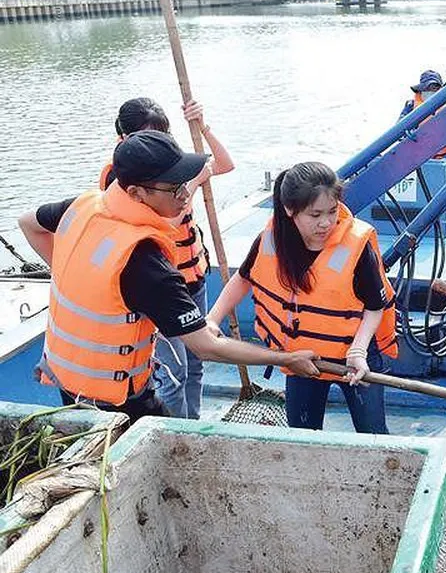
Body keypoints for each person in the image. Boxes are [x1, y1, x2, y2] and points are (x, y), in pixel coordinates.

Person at [18, 131, 319, 424]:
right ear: (136, 193)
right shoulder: (143, 262)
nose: (185, 194)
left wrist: (79, 278)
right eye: (174, 188)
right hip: (119, 405)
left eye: (185, 182)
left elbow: (28, 223)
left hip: (69, 384)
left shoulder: (83, 206)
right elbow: (205, 347)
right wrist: (286, 359)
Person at [207, 162, 398, 433]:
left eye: (332, 212)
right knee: (301, 433)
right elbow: (243, 278)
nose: (326, 223)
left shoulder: (356, 246)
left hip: (354, 355)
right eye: (315, 214)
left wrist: (358, 351)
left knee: (373, 432)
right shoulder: (272, 239)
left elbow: (375, 306)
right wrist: (213, 319)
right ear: (290, 211)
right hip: (302, 358)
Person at [99, 97, 234, 420]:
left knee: (197, 363)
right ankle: (178, 437)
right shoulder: (122, 180)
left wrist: (202, 124)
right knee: (175, 372)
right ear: (124, 138)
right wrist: (190, 185)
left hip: (194, 277)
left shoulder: (171, 166)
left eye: (161, 133)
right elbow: (161, 225)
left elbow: (224, 164)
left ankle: (193, 422)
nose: (154, 142)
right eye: (146, 135)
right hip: (162, 289)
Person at [398, 69, 446, 169]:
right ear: (421, 91)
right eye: (428, 89)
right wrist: (409, 136)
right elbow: (399, 133)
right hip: (417, 161)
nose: (431, 93)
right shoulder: (411, 107)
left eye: (435, 89)